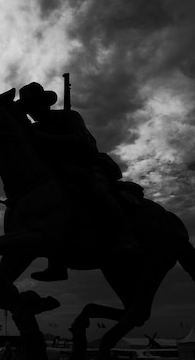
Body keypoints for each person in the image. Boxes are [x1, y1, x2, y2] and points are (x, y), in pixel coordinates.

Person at [14, 82, 136, 281]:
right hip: (61, 173)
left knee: (99, 191)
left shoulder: (69, 117)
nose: (32, 112)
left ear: (44, 104)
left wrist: (45, 137)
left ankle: (127, 238)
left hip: (89, 165)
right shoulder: (33, 130)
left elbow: (83, 142)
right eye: (28, 109)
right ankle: (56, 264)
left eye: (35, 106)